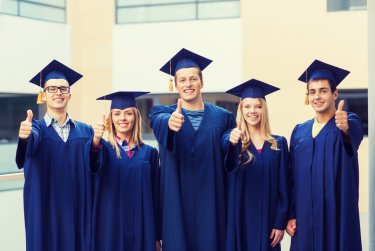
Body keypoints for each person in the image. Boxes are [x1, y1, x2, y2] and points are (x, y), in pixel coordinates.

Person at [149, 48, 235, 251]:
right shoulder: (162, 113)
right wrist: (170, 123)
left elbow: (229, 155)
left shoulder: (223, 117)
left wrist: (232, 141)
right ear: (175, 84)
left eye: (193, 79)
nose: (188, 84)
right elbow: (158, 121)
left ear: (202, 82)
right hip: (177, 205)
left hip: (212, 205)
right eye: (183, 80)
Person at [15, 59, 93, 251]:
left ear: (70, 94)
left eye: (63, 88)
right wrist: (25, 137)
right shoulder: (36, 129)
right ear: (43, 95)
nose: (58, 92)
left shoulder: (86, 132)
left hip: (78, 214)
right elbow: (30, 143)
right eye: (52, 89)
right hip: (46, 213)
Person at [286, 60, 363, 251]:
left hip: (335, 219)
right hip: (305, 221)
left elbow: (352, 135)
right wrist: (290, 214)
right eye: (312, 92)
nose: (317, 96)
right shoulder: (299, 132)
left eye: (323, 90)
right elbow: (291, 178)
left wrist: (345, 127)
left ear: (335, 94)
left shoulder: (347, 123)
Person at [222, 79, 289, 251]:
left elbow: (285, 187)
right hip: (240, 219)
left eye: (258, 106)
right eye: (247, 106)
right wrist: (232, 143)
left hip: (269, 222)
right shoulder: (233, 139)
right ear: (241, 110)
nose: (253, 111)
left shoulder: (278, 144)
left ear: (264, 109)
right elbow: (229, 165)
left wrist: (280, 222)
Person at [88, 91, 161, 251]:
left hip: (143, 228)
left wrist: (156, 236)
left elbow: (156, 197)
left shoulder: (149, 153)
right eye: (117, 114)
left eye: (128, 113)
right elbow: (92, 164)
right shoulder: (103, 149)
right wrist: (95, 141)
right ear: (111, 119)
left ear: (135, 117)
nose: (122, 118)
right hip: (112, 230)